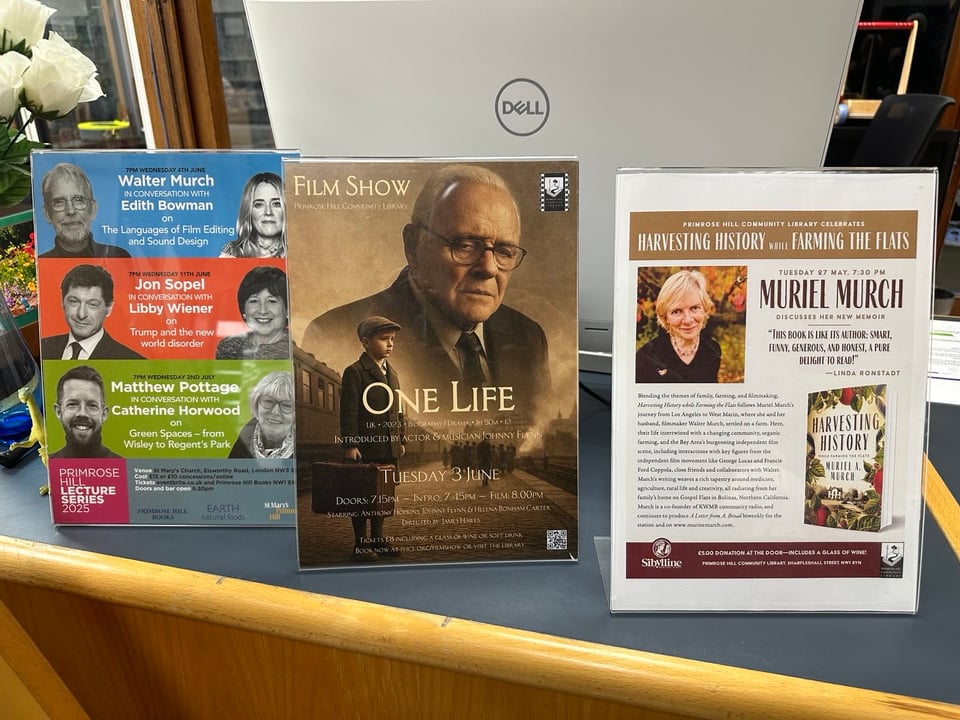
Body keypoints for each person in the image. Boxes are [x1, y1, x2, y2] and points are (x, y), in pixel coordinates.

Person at [301, 164, 550, 417]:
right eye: (465, 245)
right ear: (413, 246)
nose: (488, 268)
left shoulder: (529, 338)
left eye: (505, 252)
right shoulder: (334, 332)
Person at [340, 316, 406, 561]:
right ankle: (360, 544)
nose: (390, 344)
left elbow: (398, 411)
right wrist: (351, 445)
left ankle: (378, 541)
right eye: (384, 339)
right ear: (366, 342)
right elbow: (349, 412)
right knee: (360, 497)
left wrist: (402, 440)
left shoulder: (393, 374)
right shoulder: (355, 372)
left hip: (388, 448)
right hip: (366, 448)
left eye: (392, 339)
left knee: (382, 496)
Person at [41, 264, 144, 360]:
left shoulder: (131, 360)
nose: (81, 314)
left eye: (92, 304)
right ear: (63, 302)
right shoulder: (44, 347)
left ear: (109, 308)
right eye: (74, 301)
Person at [635, 269, 721, 383]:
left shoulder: (712, 350)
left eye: (695, 308)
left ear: (705, 309)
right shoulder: (646, 357)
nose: (688, 320)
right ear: (665, 316)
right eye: (677, 311)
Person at [39, 163, 131, 259]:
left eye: (79, 200)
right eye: (59, 202)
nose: (70, 211)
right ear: (47, 214)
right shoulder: (40, 266)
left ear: (93, 209)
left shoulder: (118, 257)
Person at [215, 266, 290, 359]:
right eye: (254, 301)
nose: (263, 311)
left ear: (287, 309)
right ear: (244, 309)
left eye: (272, 301)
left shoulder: (292, 352)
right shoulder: (228, 347)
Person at [50, 365, 119, 458]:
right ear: (58, 411)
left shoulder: (126, 468)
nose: (82, 413)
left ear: (104, 414)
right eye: (72, 404)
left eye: (92, 405)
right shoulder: (48, 466)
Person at [229, 371, 295, 459]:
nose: (275, 411)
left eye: (287, 405)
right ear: (256, 404)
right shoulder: (244, 438)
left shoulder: (301, 449)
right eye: (268, 401)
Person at [219, 172, 286, 258]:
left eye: (276, 204)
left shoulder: (300, 250)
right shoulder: (231, 250)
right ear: (248, 211)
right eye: (259, 205)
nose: (268, 212)